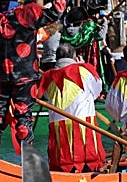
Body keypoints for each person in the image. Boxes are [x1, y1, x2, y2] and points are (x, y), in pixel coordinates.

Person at [0, 0, 68, 155]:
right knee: (23, 118)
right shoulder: (26, 13)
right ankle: (28, 159)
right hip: (25, 77)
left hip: (0, 77)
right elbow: (54, 13)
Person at [36, 44, 106, 173]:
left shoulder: (47, 77)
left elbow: (45, 95)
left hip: (59, 130)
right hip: (83, 126)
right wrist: (84, 65)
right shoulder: (84, 70)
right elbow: (97, 91)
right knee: (88, 163)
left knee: (63, 165)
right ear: (74, 56)